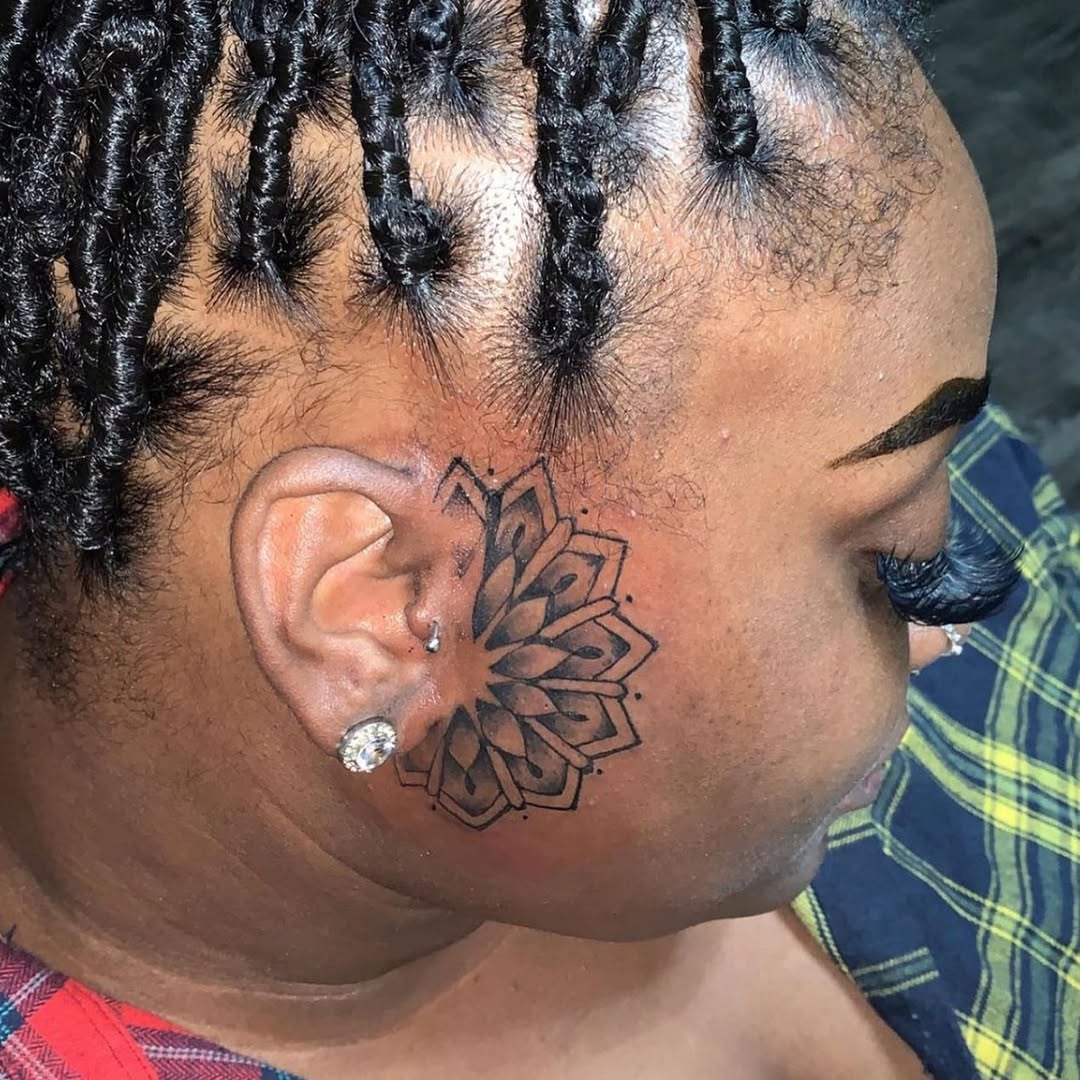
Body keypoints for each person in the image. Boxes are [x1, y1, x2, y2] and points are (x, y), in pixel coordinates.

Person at [0, 0, 1076, 1076]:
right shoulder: (776, 431)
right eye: (892, 556)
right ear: (391, 609)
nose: (952, 634)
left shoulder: (805, 402)